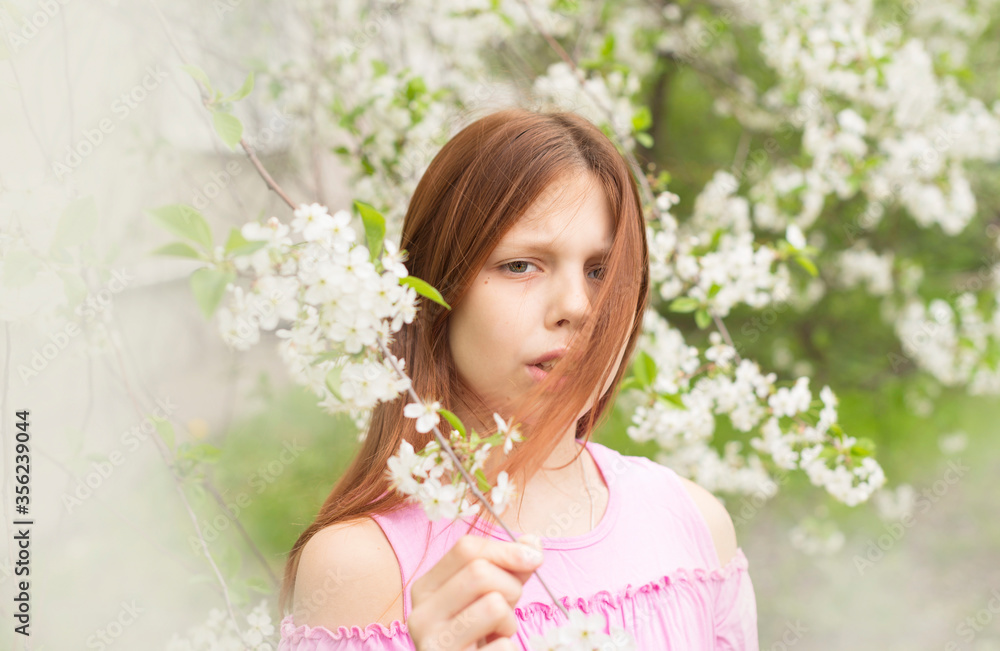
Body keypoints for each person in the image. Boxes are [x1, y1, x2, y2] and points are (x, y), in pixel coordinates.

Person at [277, 107, 759, 650]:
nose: (577, 306)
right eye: (521, 266)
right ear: (436, 293)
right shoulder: (362, 568)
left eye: (601, 271)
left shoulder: (694, 525)